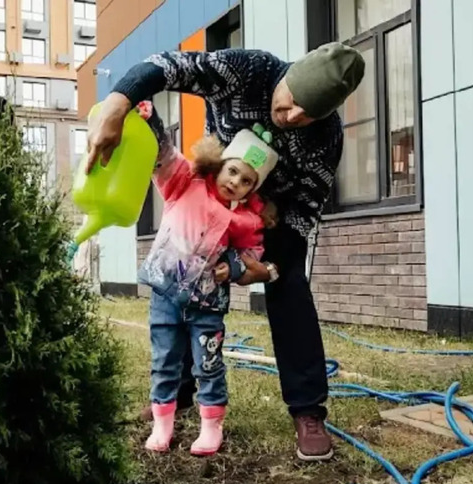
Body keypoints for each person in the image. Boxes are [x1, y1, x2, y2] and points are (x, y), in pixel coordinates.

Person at [87, 43, 365, 461]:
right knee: (181, 287)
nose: (291, 118)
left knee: (290, 288)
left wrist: (268, 267)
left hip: (271, 219)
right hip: (213, 196)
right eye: (290, 103)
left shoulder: (325, 138)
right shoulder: (249, 71)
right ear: (286, 76)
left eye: (306, 115)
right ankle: (177, 394)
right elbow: (169, 65)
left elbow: (306, 211)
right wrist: (117, 103)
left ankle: (308, 410)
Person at [136, 99, 278, 456]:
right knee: (164, 360)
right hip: (165, 296)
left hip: (207, 305)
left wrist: (234, 266)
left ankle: (211, 425)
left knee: (209, 363)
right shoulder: (186, 182)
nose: (236, 182)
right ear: (220, 163)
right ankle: (162, 423)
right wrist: (153, 121)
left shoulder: (246, 220)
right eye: (233, 171)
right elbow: (165, 154)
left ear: (252, 190)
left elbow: (253, 256)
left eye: (247, 181)